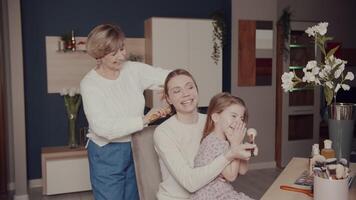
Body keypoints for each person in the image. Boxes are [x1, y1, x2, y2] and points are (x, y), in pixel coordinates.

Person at [80, 24, 170, 200]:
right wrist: (146, 119)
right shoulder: (90, 84)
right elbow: (103, 127)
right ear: (99, 55)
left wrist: (171, 88)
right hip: (106, 151)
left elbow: (168, 76)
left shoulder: (133, 69)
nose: (122, 55)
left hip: (135, 145)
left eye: (122, 48)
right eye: (114, 53)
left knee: (134, 196)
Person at [153, 69, 256, 200]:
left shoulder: (213, 121)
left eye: (190, 87)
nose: (185, 94)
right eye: (177, 91)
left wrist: (246, 149)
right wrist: (221, 164)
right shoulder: (163, 132)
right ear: (169, 99)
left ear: (196, 90)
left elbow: (234, 163)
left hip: (214, 195)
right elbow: (190, 183)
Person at [191, 92, 254, 200]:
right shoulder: (212, 142)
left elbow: (242, 170)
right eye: (234, 116)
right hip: (211, 196)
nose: (239, 122)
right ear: (216, 117)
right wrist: (236, 144)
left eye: (241, 118)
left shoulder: (228, 141)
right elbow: (231, 176)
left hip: (224, 192)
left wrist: (244, 147)